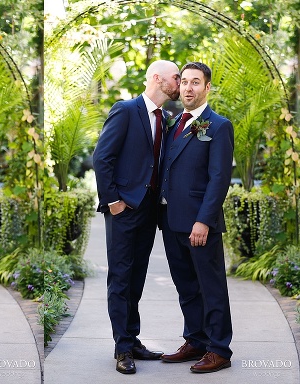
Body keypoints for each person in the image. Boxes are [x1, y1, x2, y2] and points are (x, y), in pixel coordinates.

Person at [93, 60, 181, 374]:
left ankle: (133, 339)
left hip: (149, 211)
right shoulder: (126, 109)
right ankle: (122, 349)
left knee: (137, 279)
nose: (180, 82)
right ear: (158, 78)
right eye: (176, 77)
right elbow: (102, 157)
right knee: (120, 279)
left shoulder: (167, 118)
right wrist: (114, 200)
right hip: (124, 209)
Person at [158, 61, 234, 373]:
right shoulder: (176, 122)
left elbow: (219, 179)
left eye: (196, 83)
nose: (189, 88)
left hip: (200, 224)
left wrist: (203, 220)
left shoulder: (217, 125)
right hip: (172, 220)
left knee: (210, 287)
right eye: (185, 82)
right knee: (186, 286)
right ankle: (196, 340)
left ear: (207, 87)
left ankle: (219, 349)